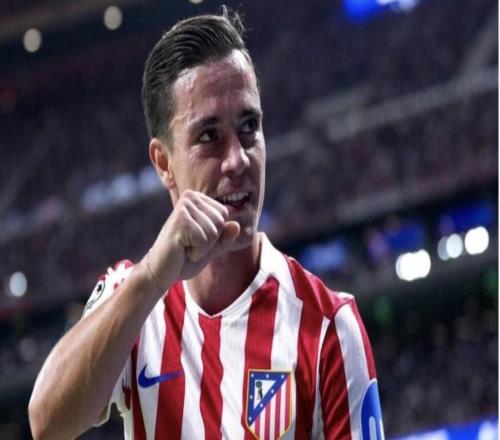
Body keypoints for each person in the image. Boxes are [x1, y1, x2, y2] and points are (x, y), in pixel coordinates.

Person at [28, 8, 384, 440]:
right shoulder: (132, 299)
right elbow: (46, 423)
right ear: (164, 163)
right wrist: (150, 279)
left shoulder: (329, 324)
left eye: (249, 126)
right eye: (209, 136)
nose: (238, 160)